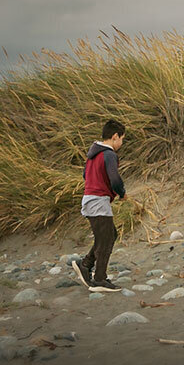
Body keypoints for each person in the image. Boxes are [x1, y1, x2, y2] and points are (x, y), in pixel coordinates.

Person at [74, 119, 126, 291]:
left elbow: (84, 175)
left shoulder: (93, 154)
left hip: (89, 199)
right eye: (121, 139)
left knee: (109, 234)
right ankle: (99, 280)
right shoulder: (109, 154)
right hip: (98, 201)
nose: (121, 143)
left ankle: (86, 265)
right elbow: (115, 179)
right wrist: (122, 192)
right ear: (115, 136)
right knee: (107, 239)